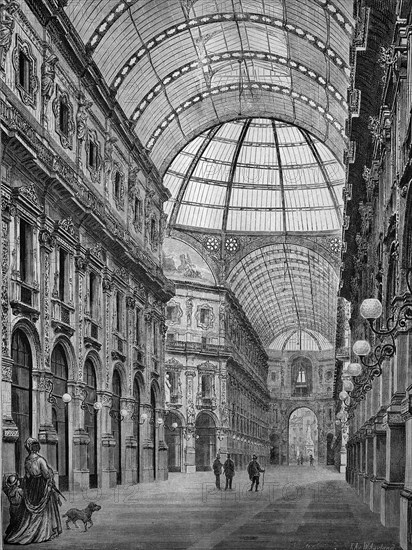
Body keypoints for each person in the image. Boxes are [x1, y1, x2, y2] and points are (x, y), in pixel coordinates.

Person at [5, 437, 63, 544]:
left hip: (31, 486)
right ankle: (44, 533)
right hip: (41, 485)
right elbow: (46, 474)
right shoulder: (40, 460)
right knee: (45, 507)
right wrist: (50, 474)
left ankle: (30, 531)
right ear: (36, 447)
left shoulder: (27, 460)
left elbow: (27, 475)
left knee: (29, 510)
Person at [2, 473, 24, 540]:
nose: (19, 481)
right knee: (18, 522)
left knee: (13, 520)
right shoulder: (19, 490)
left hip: (12, 508)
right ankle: (15, 535)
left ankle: (11, 533)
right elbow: (25, 497)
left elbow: (4, 488)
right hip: (18, 507)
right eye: (18, 480)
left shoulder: (8, 490)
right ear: (16, 482)